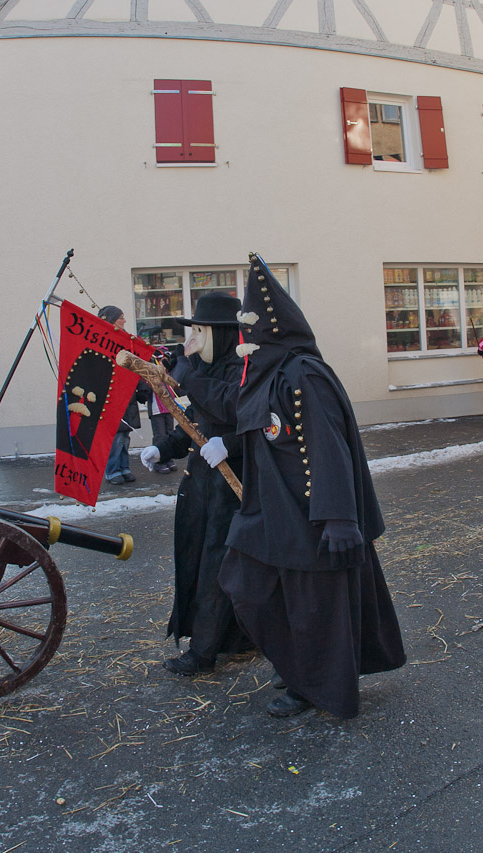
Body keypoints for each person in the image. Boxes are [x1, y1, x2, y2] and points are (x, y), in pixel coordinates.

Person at [219, 254, 405, 719]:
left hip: (310, 519)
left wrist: (339, 518)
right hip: (271, 515)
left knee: (314, 611)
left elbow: (328, 446)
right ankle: (297, 665)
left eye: (251, 330)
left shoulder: (303, 375)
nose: (245, 340)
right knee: (246, 585)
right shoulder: (265, 376)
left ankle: (314, 686)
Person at [138, 292, 249, 676]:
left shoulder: (244, 369)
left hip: (231, 490)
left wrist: (230, 443)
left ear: (221, 333)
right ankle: (234, 640)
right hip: (201, 487)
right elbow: (194, 418)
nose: (193, 339)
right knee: (198, 561)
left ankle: (203, 652)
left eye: (201, 331)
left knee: (218, 567)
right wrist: (164, 447)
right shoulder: (205, 368)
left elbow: (242, 413)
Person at [97, 306, 150, 486]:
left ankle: (124, 467)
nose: (124, 320)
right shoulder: (103, 342)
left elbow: (134, 366)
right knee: (116, 437)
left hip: (128, 396)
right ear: (111, 320)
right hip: (112, 396)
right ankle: (112, 471)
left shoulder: (126, 341)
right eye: (121, 317)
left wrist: (142, 388)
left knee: (125, 436)